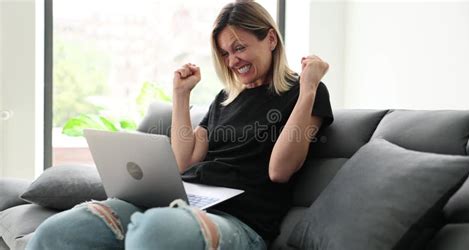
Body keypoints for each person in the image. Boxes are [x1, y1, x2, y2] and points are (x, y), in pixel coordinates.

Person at [27, 1, 333, 249]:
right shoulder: (226, 99)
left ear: (269, 38)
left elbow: (279, 171)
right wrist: (180, 95)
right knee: (56, 232)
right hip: (183, 204)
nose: (232, 61)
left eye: (239, 48)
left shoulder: (304, 92)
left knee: (154, 231)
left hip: (239, 221)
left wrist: (308, 88)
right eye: (225, 53)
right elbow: (184, 160)